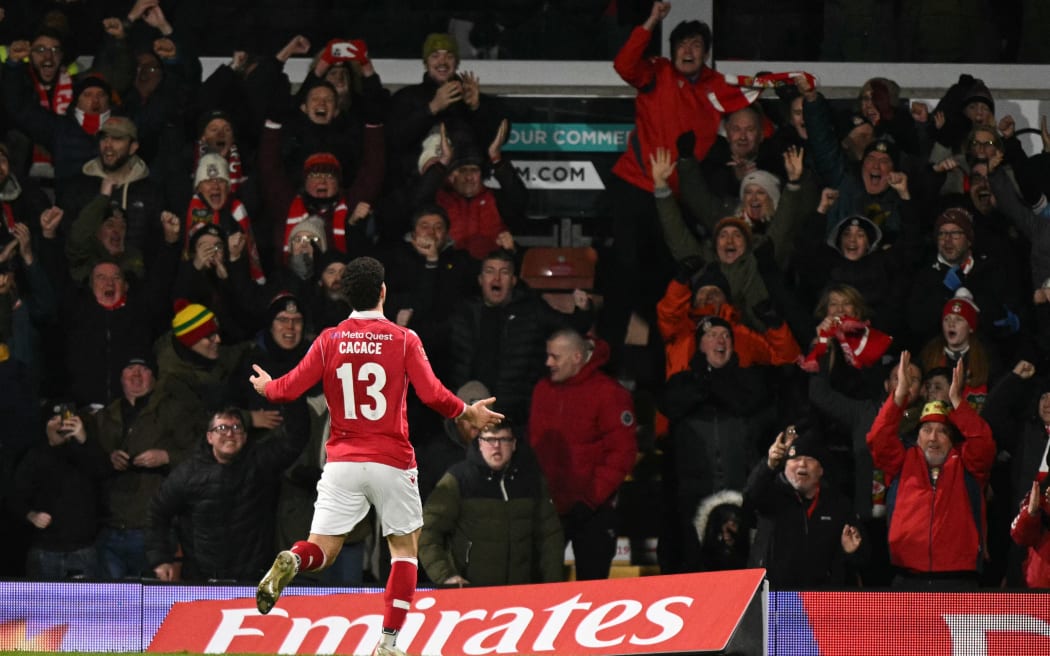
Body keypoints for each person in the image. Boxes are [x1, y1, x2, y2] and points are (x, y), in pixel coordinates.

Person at [249, 256, 503, 656]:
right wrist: (466, 411)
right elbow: (433, 395)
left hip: (343, 462)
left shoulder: (330, 339)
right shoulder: (404, 339)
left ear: (346, 295)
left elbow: (287, 390)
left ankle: (293, 561)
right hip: (391, 459)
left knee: (322, 550)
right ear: (383, 292)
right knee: (404, 551)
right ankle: (388, 643)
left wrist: (267, 387)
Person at [866, 352, 996, 589]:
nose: (933, 438)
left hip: (959, 580)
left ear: (952, 438)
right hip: (907, 577)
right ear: (917, 437)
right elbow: (878, 438)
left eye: (942, 431)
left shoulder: (967, 464)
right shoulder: (902, 461)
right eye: (926, 430)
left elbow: (983, 442)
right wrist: (899, 397)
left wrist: (957, 401)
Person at [146, 404, 310, 582]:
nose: (230, 434)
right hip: (202, 581)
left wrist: (291, 394)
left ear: (245, 437)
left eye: (236, 428)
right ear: (209, 437)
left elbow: (295, 439)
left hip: (253, 581)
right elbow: (157, 513)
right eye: (222, 428)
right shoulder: (187, 473)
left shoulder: (260, 463)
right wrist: (160, 559)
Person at [528, 329, 637, 581]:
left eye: (555, 357)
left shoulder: (609, 393)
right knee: (537, 587)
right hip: (549, 510)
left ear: (577, 357)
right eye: (548, 356)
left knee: (592, 589)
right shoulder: (542, 390)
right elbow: (535, 447)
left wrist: (590, 499)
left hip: (593, 511)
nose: (548, 363)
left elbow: (622, 453)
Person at [419, 420, 564, 587]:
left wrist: (553, 585)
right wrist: (446, 577)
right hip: (471, 593)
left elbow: (550, 537)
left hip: (523, 592)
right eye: (489, 440)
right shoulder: (459, 479)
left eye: (503, 440)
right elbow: (427, 531)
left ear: (514, 444)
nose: (496, 446)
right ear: (480, 443)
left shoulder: (531, 480)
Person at [94, 355, 195, 579]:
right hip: (110, 529)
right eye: (130, 369)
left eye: (143, 369)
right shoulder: (104, 417)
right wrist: (109, 460)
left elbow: (200, 455)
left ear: (154, 377)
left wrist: (166, 456)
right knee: (111, 610)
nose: (136, 374)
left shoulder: (173, 410)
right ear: (121, 377)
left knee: (154, 608)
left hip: (153, 529)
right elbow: (89, 463)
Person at [745, 427, 864, 588]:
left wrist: (850, 553)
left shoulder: (838, 505)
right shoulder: (770, 494)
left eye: (809, 459)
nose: (802, 463)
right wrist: (769, 465)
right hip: (773, 598)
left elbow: (862, 557)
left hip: (820, 601)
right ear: (785, 467)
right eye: (795, 459)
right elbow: (750, 497)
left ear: (821, 470)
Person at [10, 406, 110, 579]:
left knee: (83, 605)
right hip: (44, 550)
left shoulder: (84, 453)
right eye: (53, 419)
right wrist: (31, 515)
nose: (60, 424)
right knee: (41, 605)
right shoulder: (34, 456)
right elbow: (13, 498)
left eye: (63, 419)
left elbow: (104, 471)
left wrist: (83, 438)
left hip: (82, 549)